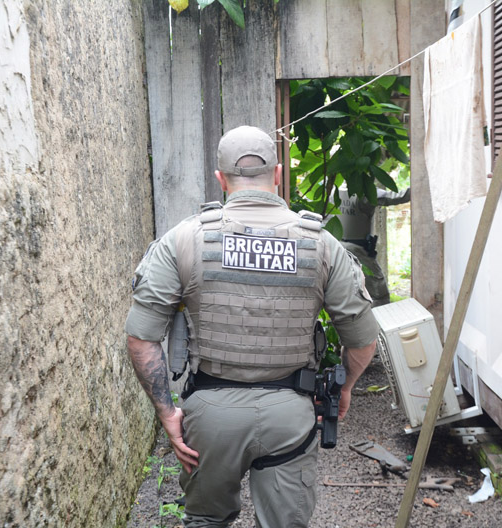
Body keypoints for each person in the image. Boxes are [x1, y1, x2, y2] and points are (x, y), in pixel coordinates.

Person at [124, 126, 379, 527]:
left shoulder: (185, 239)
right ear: (277, 175)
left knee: (206, 521)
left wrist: (167, 413)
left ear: (220, 178)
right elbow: (363, 342)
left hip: (209, 417)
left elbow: (141, 338)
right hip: (291, 414)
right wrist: (344, 389)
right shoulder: (321, 244)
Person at [336, 185, 410, 307]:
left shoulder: (333, 190)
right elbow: (396, 197)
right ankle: (379, 324)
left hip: (336, 248)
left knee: (340, 292)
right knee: (379, 294)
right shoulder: (364, 192)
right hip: (358, 250)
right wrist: (419, 187)